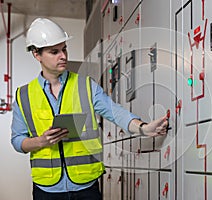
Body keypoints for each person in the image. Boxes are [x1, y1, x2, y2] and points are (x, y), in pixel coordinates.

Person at [10, 18, 169, 200]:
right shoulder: (23, 95)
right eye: (54, 52)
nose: (63, 56)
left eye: (64, 49)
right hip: (47, 189)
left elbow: (115, 112)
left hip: (86, 186)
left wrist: (143, 128)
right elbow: (17, 140)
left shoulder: (85, 85)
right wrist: (41, 141)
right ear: (37, 55)